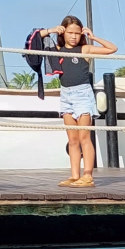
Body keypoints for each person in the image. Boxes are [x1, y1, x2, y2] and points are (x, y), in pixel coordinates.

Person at [39, 16, 117, 188]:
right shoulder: (57, 49)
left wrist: (93, 37)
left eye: (77, 33)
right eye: (70, 32)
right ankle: (75, 176)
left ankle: (87, 175)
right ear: (63, 32)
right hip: (65, 95)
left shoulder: (85, 49)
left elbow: (112, 48)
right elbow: (36, 39)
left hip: (83, 94)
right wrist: (52, 30)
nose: (73, 36)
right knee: (72, 139)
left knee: (84, 137)